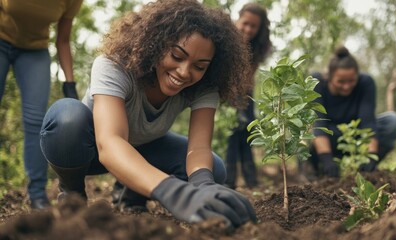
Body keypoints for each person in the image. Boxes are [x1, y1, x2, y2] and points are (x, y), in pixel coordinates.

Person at [40, 0, 256, 228]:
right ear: (157, 44)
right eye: (176, 55)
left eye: (199, 66)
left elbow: (198, 148)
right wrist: (176, 193)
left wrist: (203, 186)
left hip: (144, 148)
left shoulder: (204, 84)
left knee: (213, 169)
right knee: (67, 119)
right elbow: (110, 143)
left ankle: (131, 196)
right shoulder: (114, 65)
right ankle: (72, 197)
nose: (184, 72)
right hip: (90, 148)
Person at [0, 0, 82, 209]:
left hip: (34, 51)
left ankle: (37, 194)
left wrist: (70, 83)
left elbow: (63, 40)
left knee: (36, 121)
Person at [310, 46, 396, 177]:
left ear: (357, 75)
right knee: (309, 136)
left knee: (392, 121)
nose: (346, 86)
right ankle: (318, 169)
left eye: (351, 81)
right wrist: (327, 160)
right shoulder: (317, 83)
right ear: (329, 77)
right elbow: (319, 125)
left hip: (355, 135)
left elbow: (368, 122)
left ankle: (364, 169)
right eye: (341, 82)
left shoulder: (366, 82)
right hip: (329, 135)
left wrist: (370, 156)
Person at [224, 3, 272, 189]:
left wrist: (244, 104)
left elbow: (249, 77)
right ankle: (229, 182)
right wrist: (232, 101)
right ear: (238, 19)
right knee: (232, 136)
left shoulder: (256, 47)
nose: (248, 29)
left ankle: (251, 182)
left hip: (245, 94)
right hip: (227, 94)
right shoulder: (226, 41)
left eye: (254, 26)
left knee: (247, 135)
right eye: (245, 23)